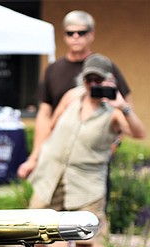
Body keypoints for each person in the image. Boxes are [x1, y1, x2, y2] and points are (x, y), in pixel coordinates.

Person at [22, 55, 145, 247]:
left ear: (108, 80)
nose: (92, 85)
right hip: (52, 175)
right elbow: (51, 127)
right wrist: (33, 158)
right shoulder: (72, 96)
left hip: (86, 182)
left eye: (98, 80)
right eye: (89, 80)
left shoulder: (113, 111)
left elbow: (139, 133)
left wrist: (124, 107)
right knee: (35, 232)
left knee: (85, 239)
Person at [21, 9, 131, 182]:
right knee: (51, 206)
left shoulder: (105, 67)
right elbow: (44, 115)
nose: (76, 37)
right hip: (58, 155)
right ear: (64, 36)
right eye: (70, 33)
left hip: (92, 161)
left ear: (91, 35)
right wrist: (35, 156)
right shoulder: (53, 70)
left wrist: (113, 145)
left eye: (81, 32)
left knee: (91, 209)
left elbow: (124, 110)